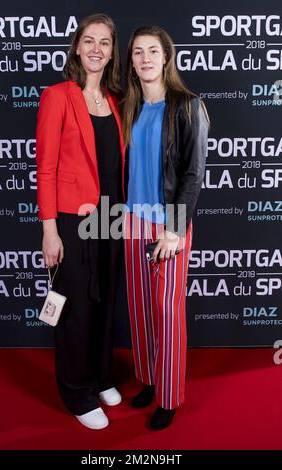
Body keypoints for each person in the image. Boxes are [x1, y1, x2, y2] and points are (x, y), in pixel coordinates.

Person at [36, 13, 125, 430]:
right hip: (72, 218)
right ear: (77, 47)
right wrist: (49, 229)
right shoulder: (57, 95)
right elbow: (47, 167)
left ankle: (101, 376)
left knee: (105, 297)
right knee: (75, 306)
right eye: (89, 41)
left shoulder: (114, 99)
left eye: (104, 42)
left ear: (111, 51)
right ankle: (77, 391)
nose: (96, 49)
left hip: (111, 214)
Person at [122, 25, 209, 430]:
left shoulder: (189, 105)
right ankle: (149, 379)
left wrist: (174, 230)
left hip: (168, 226)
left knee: (166, 310)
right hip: (131, 222)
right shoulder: (131, 107)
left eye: (152, 51)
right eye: (137, 52)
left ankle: (169, 396)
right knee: (140, 310)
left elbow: (192, 174)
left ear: (166, 57)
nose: (145, 59)